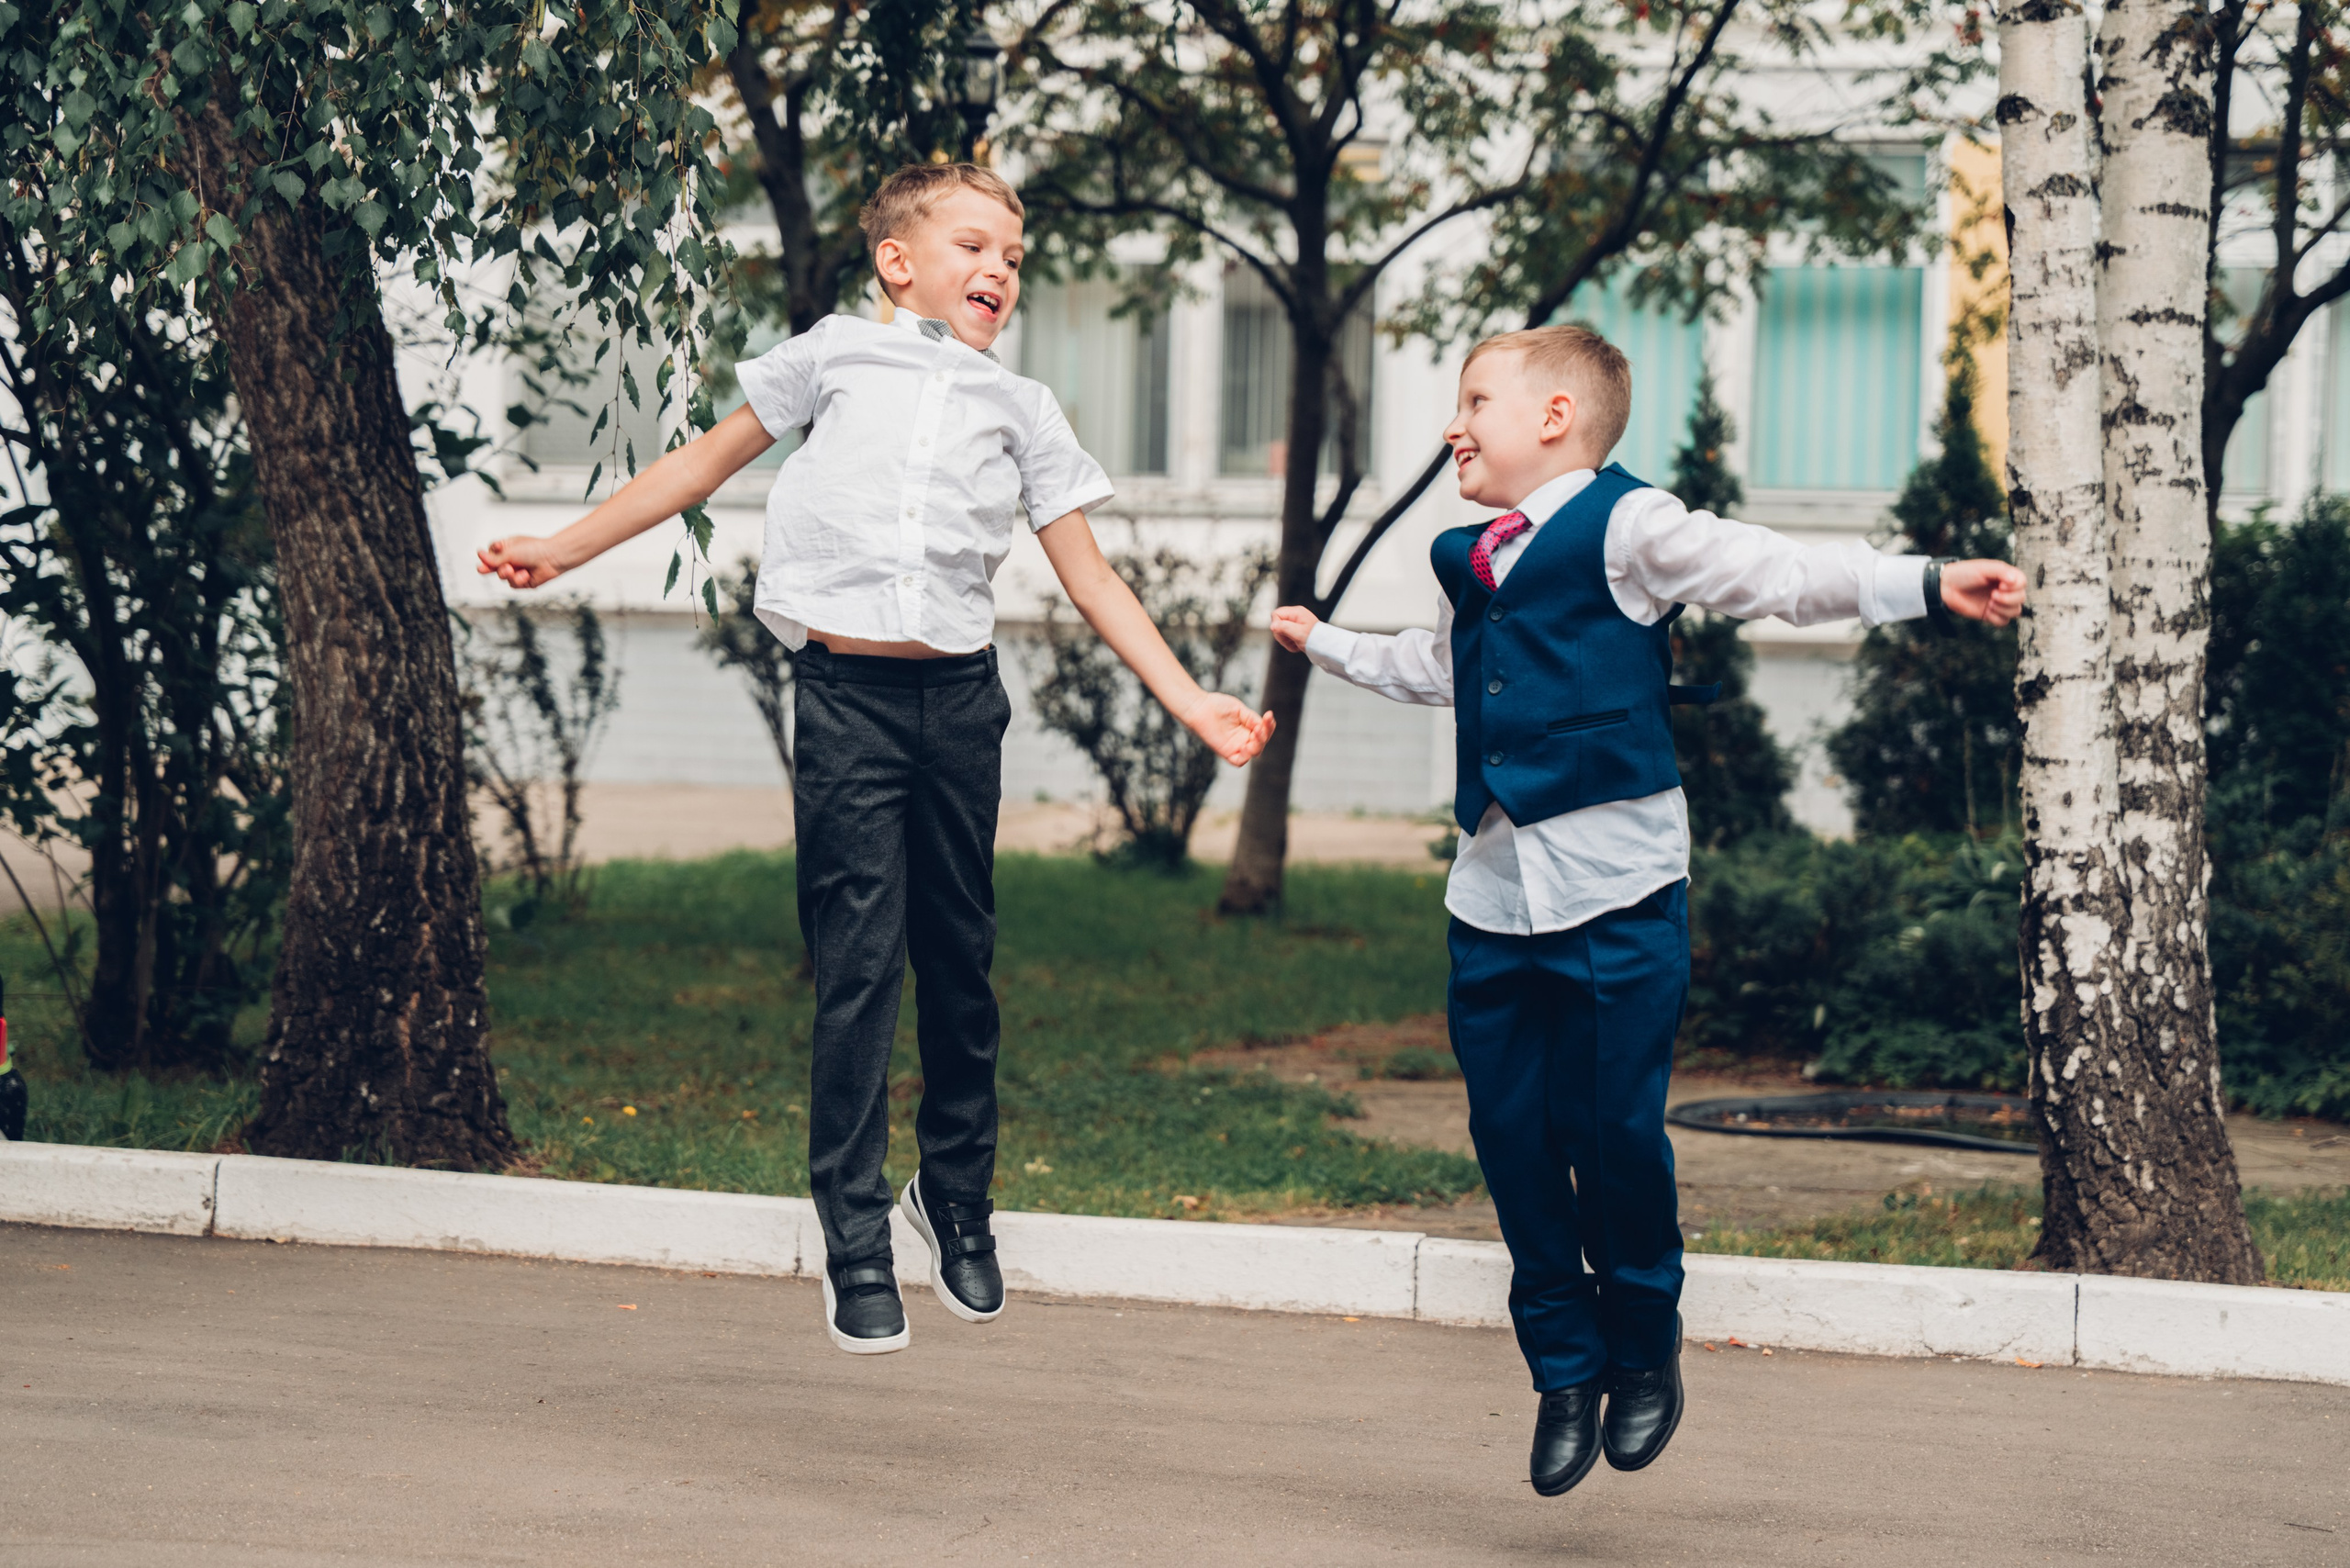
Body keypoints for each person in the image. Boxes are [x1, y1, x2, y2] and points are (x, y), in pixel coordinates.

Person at [479, 162, 1273, 1356]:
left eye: (1014, 254)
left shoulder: (1027, 409)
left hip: (957, 704)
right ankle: (852, 1234)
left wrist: (1192, 702)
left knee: (961, 961)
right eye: (974, 246)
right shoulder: (832, 356)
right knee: (858, 963)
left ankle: (954, 1196)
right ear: (900, 261)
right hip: (846, 698)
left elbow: (1089, 575)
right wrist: (565, 546)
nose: (1000, 268)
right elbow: (701, 462)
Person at [1270, 324, 2022, 1495]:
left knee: (1612, 1133)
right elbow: (1445, 670)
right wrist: (1326, 644)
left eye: (1473, 400)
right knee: (1513, 1138)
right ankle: (1564, 1367)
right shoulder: (1474, 559)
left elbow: (1771, 574)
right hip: (1493, 895)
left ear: (1554, 417)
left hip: (1616, 890)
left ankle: (1644, 1347)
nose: (1450, 425)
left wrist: (1923, 582)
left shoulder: (1629, 524)